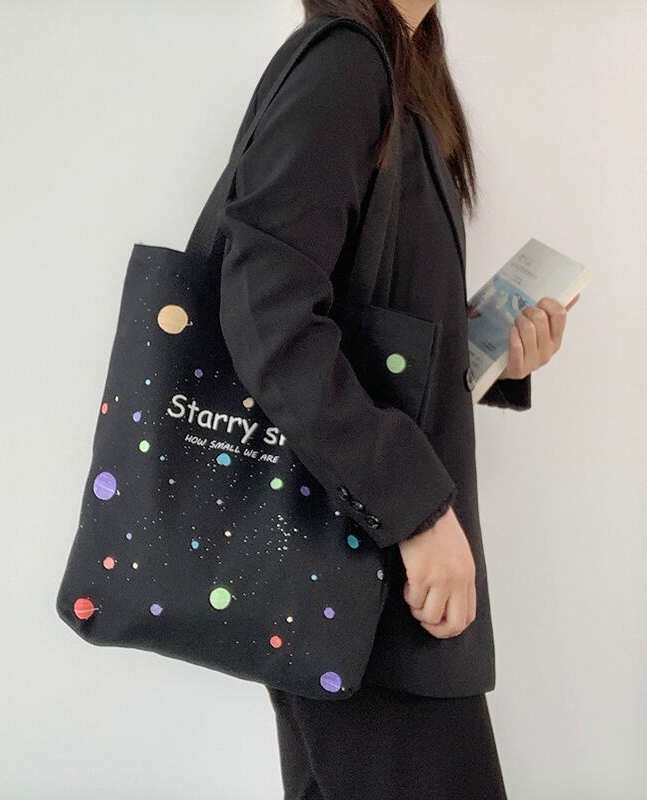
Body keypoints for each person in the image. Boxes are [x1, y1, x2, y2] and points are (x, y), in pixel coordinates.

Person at [215, 2, 578, 798]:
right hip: (367, 581)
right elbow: (265, 309)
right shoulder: (347, 64)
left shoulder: (399, 74)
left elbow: (363, 325)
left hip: (362, 580)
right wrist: (415, 512)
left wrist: (495, 356)